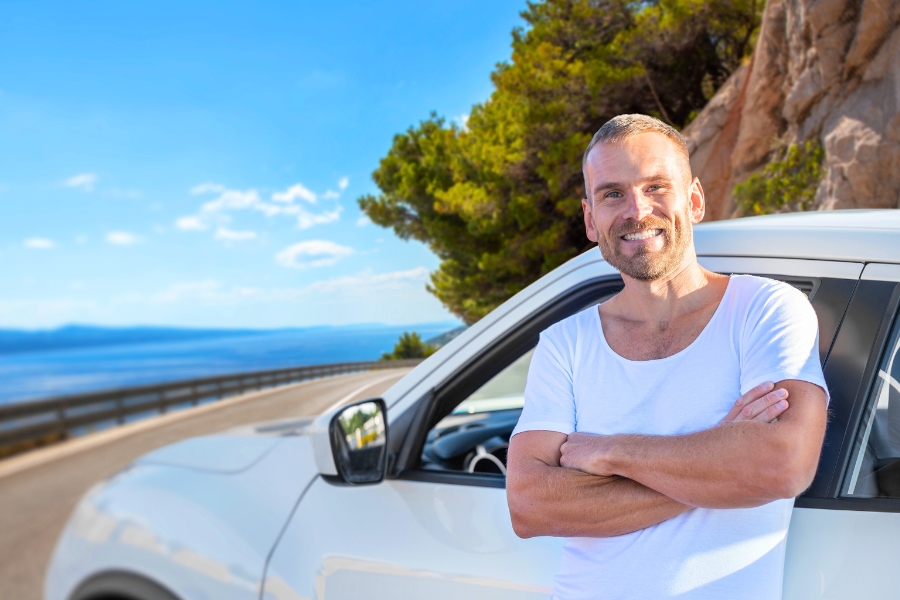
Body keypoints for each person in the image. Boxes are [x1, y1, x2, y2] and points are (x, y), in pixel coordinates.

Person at [506, 114, 828, 600]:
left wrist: (614, 452)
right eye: (613, 194)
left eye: (657, 186)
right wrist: (721, 461)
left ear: (694, 200)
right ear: (591, 220)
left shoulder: (765, 310)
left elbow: (781, 467)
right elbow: (529, 506)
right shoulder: (565, 344)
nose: (637, 210)